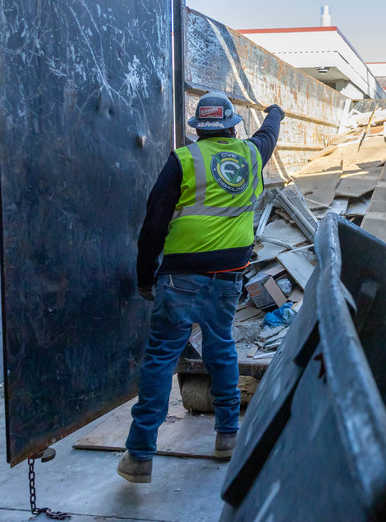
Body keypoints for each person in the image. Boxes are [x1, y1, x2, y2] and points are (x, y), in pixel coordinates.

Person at [117, 91, 285, 483]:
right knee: (221, 346)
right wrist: (275, 110)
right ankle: (227, 435)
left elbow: (153, 224)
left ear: (199, 128)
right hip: (229, 273)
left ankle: (140, 455)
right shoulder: (250, 154)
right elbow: (269, 133)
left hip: (180, 277)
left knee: (161, 357)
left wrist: (145, 278)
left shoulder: (184, 160)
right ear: (231, 125)